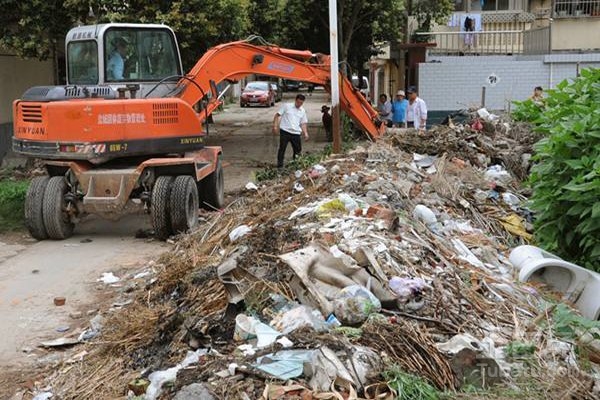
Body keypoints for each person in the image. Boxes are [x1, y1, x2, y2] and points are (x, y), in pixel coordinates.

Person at [273, 94, 309, 168]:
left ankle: (295, 165)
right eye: (298, 102)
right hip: (285, 131)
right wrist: (275, 126)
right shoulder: (287, 106)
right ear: (295, 100)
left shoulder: (302, 111)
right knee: (282, 149)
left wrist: (305, 133)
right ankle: (280, 166)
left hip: (296, 133)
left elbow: (303, 123)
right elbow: (277, 115)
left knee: (298, 150)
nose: (299, 104)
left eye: (301, 103)